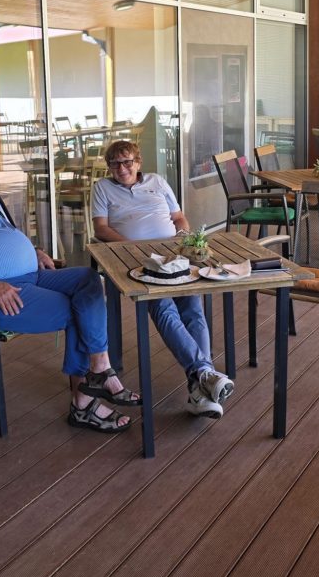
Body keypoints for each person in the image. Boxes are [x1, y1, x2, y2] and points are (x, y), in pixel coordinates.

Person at [0, 148, 138, 434]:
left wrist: (34, 250)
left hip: (34, 276)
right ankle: (84, 403)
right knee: (79, 311)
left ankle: (100, 366)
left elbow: (8, 236)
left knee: (89, 278)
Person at [92, 138, 233, 419]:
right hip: (136, 262)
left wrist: (182, 238)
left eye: (127, 162)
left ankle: (200, 383)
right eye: (115, 164)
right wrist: (133, 247)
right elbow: (101, 229)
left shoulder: (157, 181)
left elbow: (179, 217)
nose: (121, 168)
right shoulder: (103, 188)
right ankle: (204, 374)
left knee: (192, 307)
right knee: (164, 307)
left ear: (138, 162)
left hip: (174, 255)